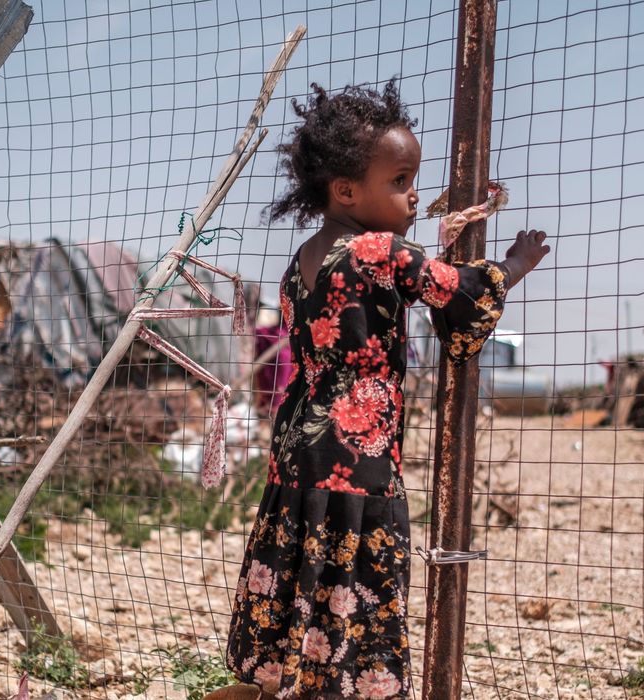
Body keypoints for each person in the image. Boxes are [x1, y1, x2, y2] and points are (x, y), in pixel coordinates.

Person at [220, 79, 549, 699]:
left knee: (302, 564)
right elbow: (461, 294)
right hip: (357, 450)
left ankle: (281, 682)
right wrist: (512, 266)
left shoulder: (303, 260)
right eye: (399, 181)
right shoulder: (378, 248)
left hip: (296, 442)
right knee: (359, 571)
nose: (413, 193)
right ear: (346, 190)